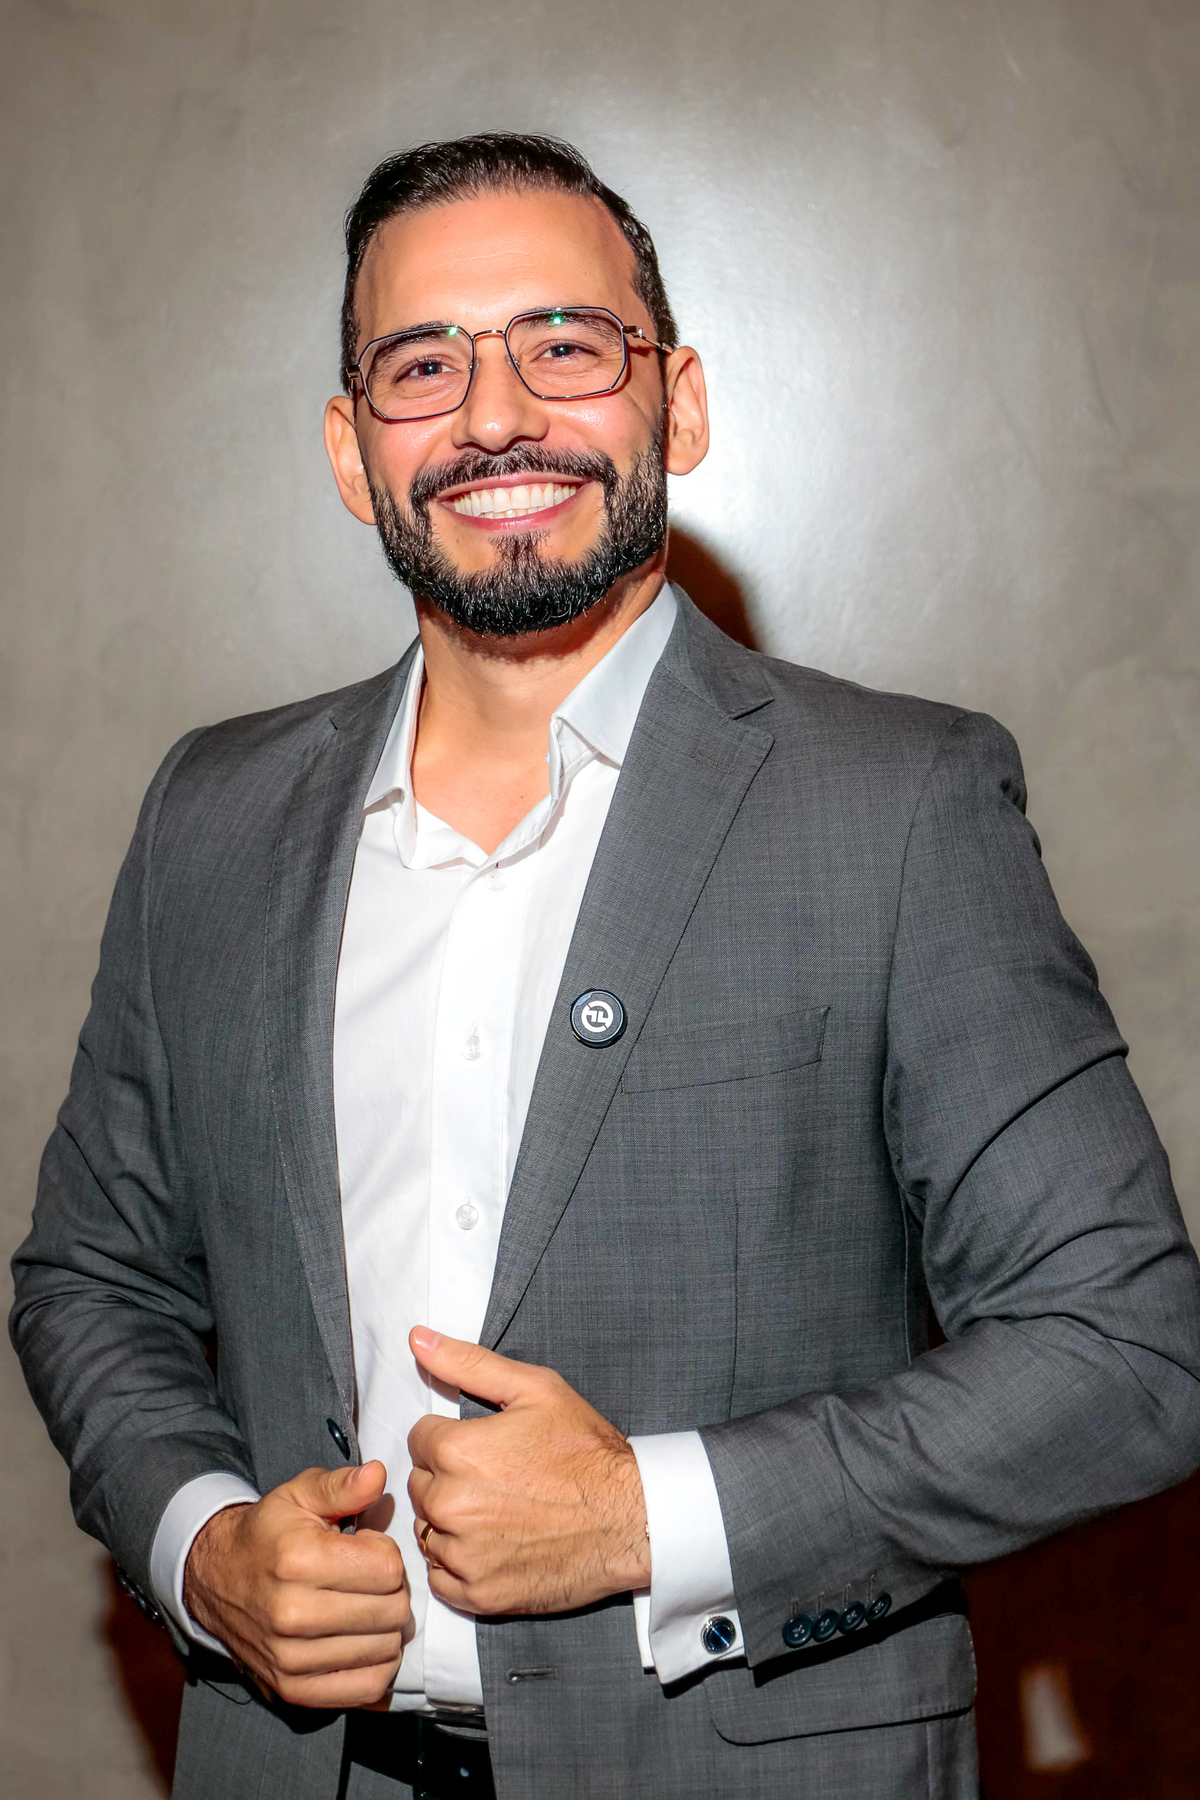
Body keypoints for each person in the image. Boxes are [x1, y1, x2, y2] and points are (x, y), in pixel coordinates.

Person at [11, 131, 1200, 1800]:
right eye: (423, 365)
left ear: (678, 405)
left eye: (565, 345)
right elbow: (93, 1283)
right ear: (352, 450)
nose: (495, 416)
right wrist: (203, 1547)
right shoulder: (211, 815)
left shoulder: (901, 806)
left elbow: (1125, 1350)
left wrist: (655, 1518)